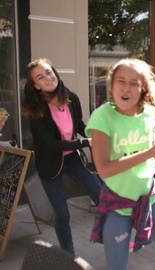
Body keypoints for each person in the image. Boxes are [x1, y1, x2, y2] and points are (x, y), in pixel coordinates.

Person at [87, 58, 155, 270]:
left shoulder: (147, 114)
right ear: (111, 86)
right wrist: (149, 152)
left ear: (143, 89)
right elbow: (104, 168)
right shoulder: (102, 117)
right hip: (117, 205)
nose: (126, 88)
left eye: (134, 83)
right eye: (121, 81)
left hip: (149, 199)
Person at [21, 58, 103, 256]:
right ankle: (69, 255)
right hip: (50, 165)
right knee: (63, 214)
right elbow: (51, 145)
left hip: (73, 159)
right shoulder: (36, 110)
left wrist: (95, 134)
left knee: (102, 196)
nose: (48, 78)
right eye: (41, 77)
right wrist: (85, 143)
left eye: (49, 72)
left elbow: (79, 125)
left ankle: (112, 237)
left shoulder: (71, 98)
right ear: (36, 85)